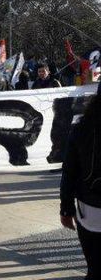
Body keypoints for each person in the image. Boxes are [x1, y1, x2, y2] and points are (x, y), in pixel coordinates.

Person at [60, 84, 101, 279]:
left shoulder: (81, 128)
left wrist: (66, 209)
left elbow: (69, 172)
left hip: (90, 209)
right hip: (90, 206)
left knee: (94, 267)